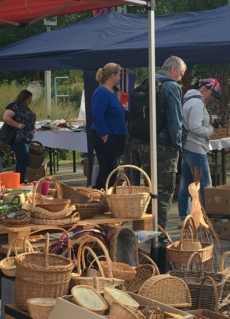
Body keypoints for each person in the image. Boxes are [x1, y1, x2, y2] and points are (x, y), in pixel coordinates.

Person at [124, 56, 186, 230]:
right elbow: (175, 120)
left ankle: (146, 230)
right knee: (164, 192)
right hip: (163, 146)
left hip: (142, 143)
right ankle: (160, 235)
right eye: (181, 74)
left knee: (149, 189)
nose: (181, 78)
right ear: (173, 70)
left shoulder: (146, 82)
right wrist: (177, 145)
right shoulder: (172, 86)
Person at [177, 78, 218, 221]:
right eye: (212, 94)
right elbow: (194, 126)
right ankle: (206, 217)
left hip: (188, 146)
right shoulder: (197, 103)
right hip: (195, 147)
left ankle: (184, 216)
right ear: (205, 89)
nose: (212, 98)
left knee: (186, 183)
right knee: (205, 183)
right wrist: (209, 130)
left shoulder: (188, 100)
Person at [89, 63, 126, 189]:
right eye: (119, 75)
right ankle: (105, 194)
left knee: (109, 169)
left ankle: (101, 193)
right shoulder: (101, 92)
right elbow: (98, 114)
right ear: (112, 75)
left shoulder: (112, 92)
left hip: (115, 136)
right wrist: (104, 136)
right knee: (107, 169)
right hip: (106, 137)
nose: (120, 78)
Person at [1, 89, 37, 175]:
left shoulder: (25, 108)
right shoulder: (14, 106)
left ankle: (20, 179)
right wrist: (17, 124)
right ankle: (19, 181)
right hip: (18, 138)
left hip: (26, 138)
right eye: (28, 99)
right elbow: (6, 117)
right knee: (22, 158)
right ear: (23, 98)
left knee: (24, 159)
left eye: (30, 100)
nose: (29, 102)